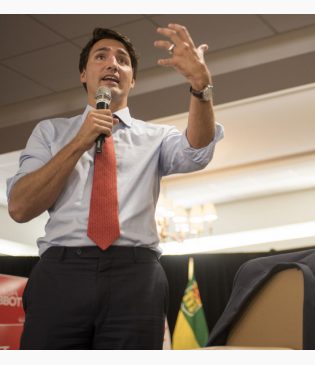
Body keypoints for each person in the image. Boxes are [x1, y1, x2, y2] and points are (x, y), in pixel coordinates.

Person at [6, 25, 223, 349]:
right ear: (83, 73)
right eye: (101, 56)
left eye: (122, 60)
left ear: (132, 79)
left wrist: (200, 85)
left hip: (135, 277)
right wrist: (80, 140)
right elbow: (20, 207)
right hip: (61, 273)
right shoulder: (50, 132)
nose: (112, 64)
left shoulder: (157, 137)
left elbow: (197, 153)